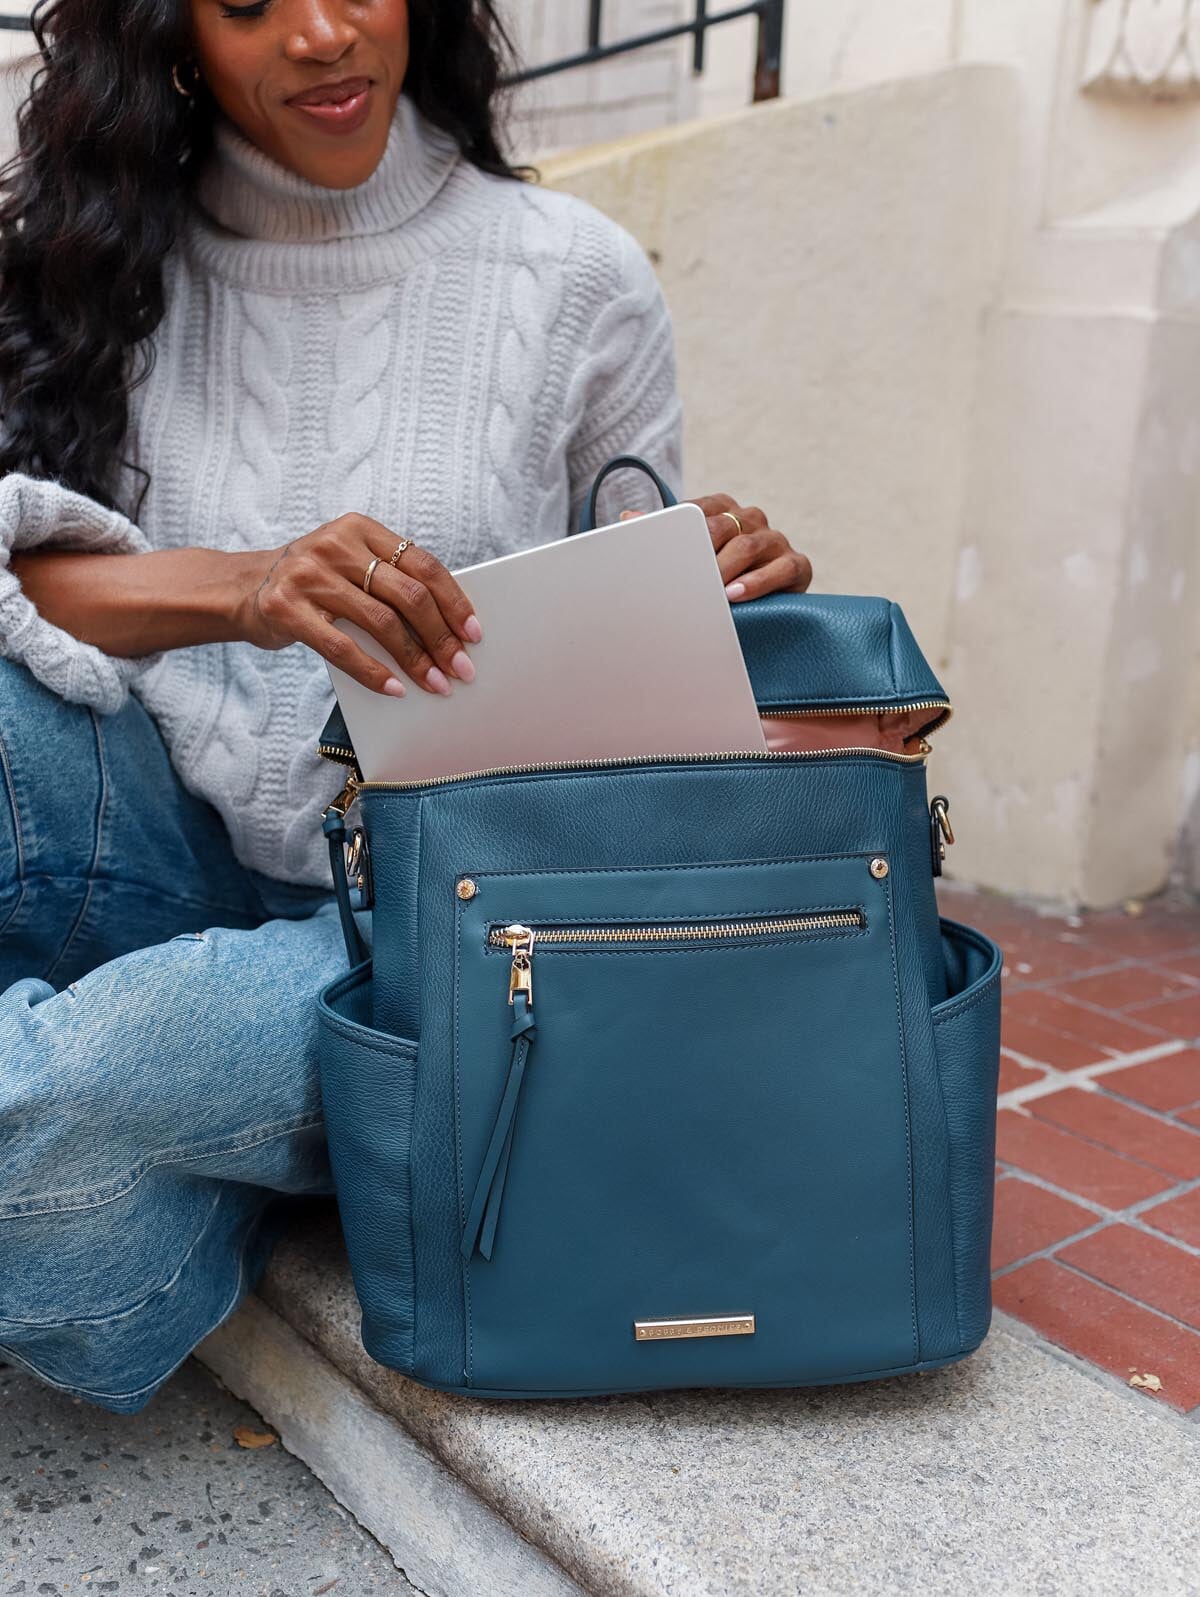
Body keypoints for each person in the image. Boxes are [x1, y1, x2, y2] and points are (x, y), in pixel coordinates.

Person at [0, 0, 813, 1413]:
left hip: (419, 928)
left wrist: (729, 582)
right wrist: (248, 587)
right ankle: (205, 1146)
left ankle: (158, 1138)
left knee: (55, 1095)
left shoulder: (574, 281)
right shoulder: (100, 260)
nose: (322, 34)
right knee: (77, 1088)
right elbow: (32, 587)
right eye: (253, 3)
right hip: (146, 846)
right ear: (174, 37)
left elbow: (639, 696)